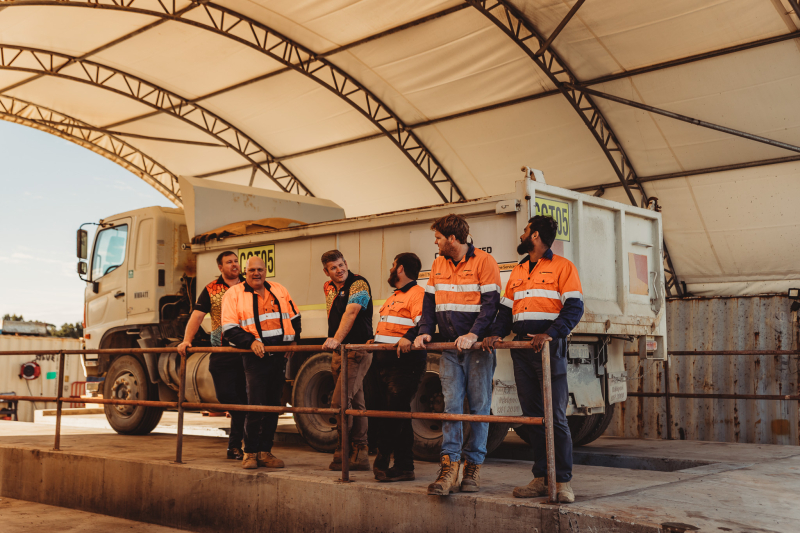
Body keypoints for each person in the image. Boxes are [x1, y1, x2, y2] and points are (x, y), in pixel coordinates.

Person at [483, 215, 584, 503]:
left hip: (548, 351)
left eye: (525, 231)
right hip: (522, 351)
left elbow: (574, 307)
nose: (522, 235)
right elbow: (505, 311)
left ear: (536, 235)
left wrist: (549, 334)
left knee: (555, 417)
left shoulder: (563, 267)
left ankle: (562, 482)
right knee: (533, 418)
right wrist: (495, 334)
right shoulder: (517, 271)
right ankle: (541, 478)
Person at [414, 214, 501, 496]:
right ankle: (449, 466)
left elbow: (491, 305)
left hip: (476, 349)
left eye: (438, 237)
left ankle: (473, 466)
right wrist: (426, 330)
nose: (436, 242)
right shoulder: (438, 263)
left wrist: (474, 335)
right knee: (451, 407)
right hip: (449, 347)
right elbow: (428, 300)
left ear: (452, 239)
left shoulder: (485, 262)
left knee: (478, 408)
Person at [221, 256, 301, 470]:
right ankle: (250, 453)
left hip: (279, 356)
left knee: (274, 405)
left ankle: (265, 452)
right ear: (244, 273)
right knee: (256, 405)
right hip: (254, 357)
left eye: (260, 269)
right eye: (251, 270)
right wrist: (251, 342)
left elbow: (294, 317)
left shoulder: (279, 289)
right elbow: (229, 328)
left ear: (266, 271)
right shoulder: (234, 294)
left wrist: (294, 339)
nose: (256, 273)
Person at [177, 251, 246, 460]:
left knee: (246, 400)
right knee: (226, 397)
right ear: (220, 267)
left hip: (246, 350)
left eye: (236, 261)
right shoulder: (211, 289)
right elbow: (197, 316)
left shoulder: (249, 286)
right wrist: (187, 340)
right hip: (221, 351)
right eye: (229, 262)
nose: (234, 265)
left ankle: (236, 447)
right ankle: (238, 420)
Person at [370, 253, 426, 482]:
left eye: (393, 265)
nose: (391, 269)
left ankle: (382, 458)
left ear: (400, 269)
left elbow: (422, 322)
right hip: (385, 362)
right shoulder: (395, 296)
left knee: (393, 415)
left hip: (405, 364)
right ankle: (405, 467)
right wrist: (375, 341)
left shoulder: (417, 294)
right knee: (399, 416)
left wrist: (409, 337)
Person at [320, 250, 374, 471]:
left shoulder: (359, 283)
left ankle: (344, 450)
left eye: (341, 265)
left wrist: (335, 339)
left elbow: (351, 313)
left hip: (357, 350)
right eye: (333, 267)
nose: (339, 270)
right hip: (340, 351)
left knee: (339, 403)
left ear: (346, 263)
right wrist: (336, 344)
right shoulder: (328, 287)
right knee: (355, 403)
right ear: (326, 271)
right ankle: (360, 452)